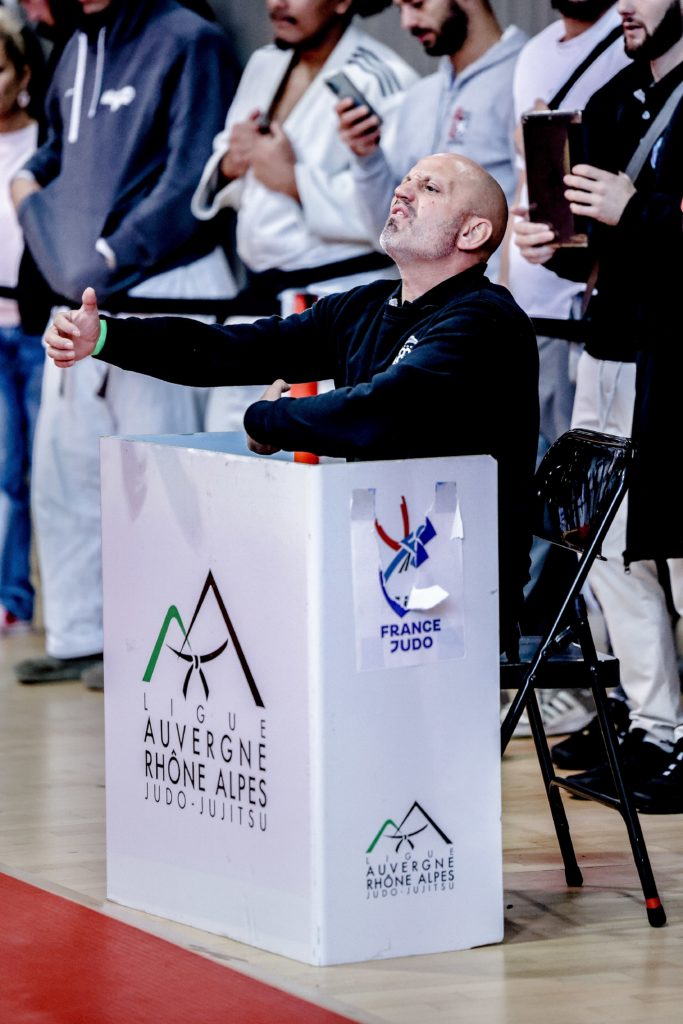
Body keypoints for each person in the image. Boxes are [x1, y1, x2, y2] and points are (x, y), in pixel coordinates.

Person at [44, 152, 540, 656]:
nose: (403, 191)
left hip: (454, 589)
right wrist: (107, 337)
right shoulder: (365, 306)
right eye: (407, 180)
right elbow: (235, 350)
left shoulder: (485, 320)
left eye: (430, 189)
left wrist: (268, 420)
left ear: (472, 232)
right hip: (375, 567)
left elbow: (381, 411)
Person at [10, 0, 239, 688]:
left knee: (163, 480)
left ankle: (165, 646)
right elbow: (57, 145)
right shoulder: (76, 44)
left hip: (165, 287)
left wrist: (113, 253)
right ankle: (81, 634)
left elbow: (191, 175)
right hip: (79, 294)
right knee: (66, 473)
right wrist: (26, 184)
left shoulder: (190, 40)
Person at [513, 0, 683, 813]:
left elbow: (641, 219)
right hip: (608, 343)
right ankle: (648, 722)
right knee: (605, 551)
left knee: (672, 553)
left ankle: (671, 734)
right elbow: (600, 236)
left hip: (669, 358)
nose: (624, 4)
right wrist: (555, 240)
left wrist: (634, 210)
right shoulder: (615, 96)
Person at [502, 0, 630, 738]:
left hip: (595, 320)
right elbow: (523, 177)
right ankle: (589, 688)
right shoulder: (536, 54)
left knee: (602, 522)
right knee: (565, 521)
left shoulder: (630, 47)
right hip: (539, 307)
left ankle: (599, 692)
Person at [335, 0, 527, 282]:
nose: (407, 22)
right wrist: (367, 157)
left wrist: (505, 301)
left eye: (417, 4)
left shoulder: (525, 77)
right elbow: (385, 233)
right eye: (400, 9)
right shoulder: (419, 97)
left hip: (496, 299)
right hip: (420, 301)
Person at [0, 6, 42, 635]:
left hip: (38, 325)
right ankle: (11, 596)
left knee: (46, 470)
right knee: (7, 468)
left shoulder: (46, 144)